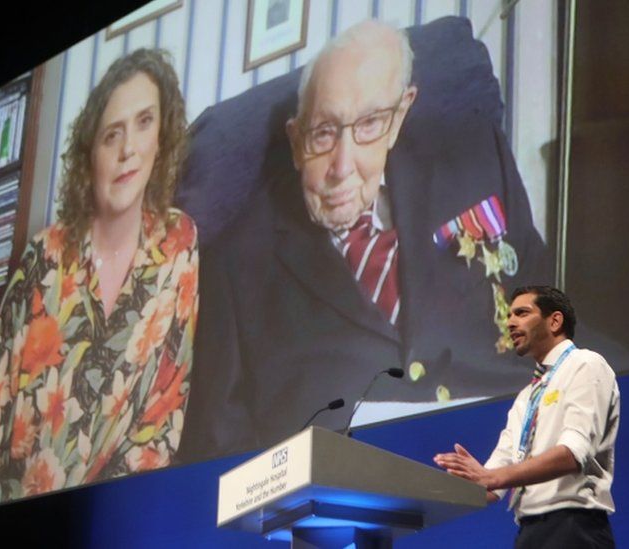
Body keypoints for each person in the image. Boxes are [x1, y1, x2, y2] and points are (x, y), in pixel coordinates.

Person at [178, 20, 551, 463]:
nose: (342, 166)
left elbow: (554, 318)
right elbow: (218, 449)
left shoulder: (473, 168)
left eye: (370, 124)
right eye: (323, 133)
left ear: (398, 117)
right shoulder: (237, 262)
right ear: (296, 141)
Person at [0, 49, 198, 511]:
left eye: (145, 122)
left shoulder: (179, 243)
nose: (128, 150)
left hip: (116, 519)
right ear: (90, 155)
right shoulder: (44, 256)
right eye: (111, 135)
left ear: (162, 138)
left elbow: (162, 421)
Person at [434, 286, 619, 548]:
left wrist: (492, 477)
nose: (509, 323)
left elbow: (573, 453)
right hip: (529, 532)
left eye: (522, 313)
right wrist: (460, 483)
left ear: (555, 321)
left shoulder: (585, 364)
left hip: (573, 529)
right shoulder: (526, 396)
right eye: (509, 315)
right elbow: (493, 483)